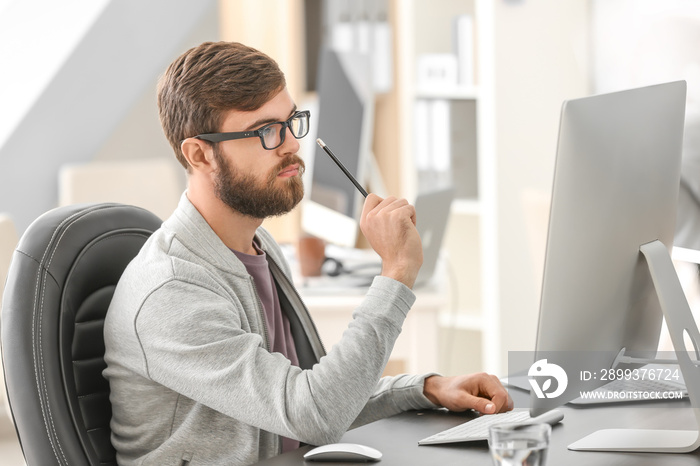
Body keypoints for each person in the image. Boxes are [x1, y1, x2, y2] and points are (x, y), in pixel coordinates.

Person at [103, 41, 512, 466]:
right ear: (200, 153)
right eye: (265, 131)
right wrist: (397, 271)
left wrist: (423, 389)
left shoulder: (259, 248)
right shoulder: (172, 292)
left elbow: (310, 394)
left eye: (291, 121)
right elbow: (315, 414)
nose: (290, 145)